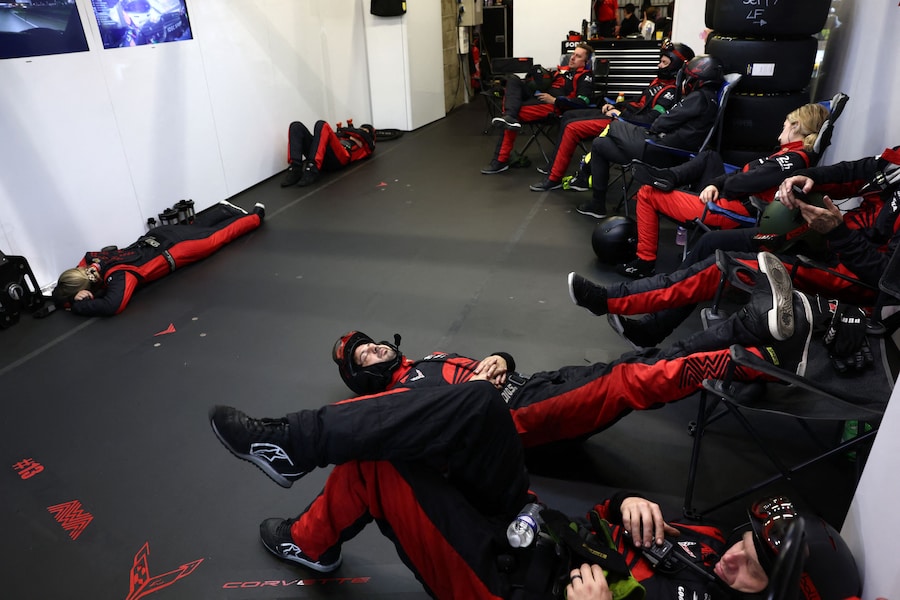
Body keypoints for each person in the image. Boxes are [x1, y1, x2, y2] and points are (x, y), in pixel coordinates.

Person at [208, 381, 861, 599]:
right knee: (480, 406)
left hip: (510, 584)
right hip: (537, 527)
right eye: (747, 542)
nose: (735, 554)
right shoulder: (716, 547)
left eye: (754, 567)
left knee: (378, 468)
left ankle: (309, 541)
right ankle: (294, 443)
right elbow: (607, 519)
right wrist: (626, 505)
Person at [329, 253, 813, 449]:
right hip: (520, 420)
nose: (374, 349)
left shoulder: (427, 361)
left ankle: (755, 333)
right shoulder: (398, 398)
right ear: (363, 377)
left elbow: (490, 368)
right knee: (634, 381)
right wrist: (474, 394)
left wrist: (500, 359)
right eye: (364, 357)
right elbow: (441, 434)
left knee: (643, 363)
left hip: (535, 385)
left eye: (370, 344)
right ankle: (758, 354)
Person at [567, 144, 900, 349]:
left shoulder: (794, 151)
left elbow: (886, 279)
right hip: (822, 237)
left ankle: (613, 299)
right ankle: (653, 327)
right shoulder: (895, 161)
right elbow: (857, 170)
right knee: (712, 242)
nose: (781, 129)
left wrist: (839, 234)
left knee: (718, 267)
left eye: (787, 124)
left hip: (845, 272)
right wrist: (810, 177)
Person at [616, 102, 830, 278]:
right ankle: (668, 177)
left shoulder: (791, 160)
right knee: (710, 156)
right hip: (734, 198)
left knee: (647, 193)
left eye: (784, 125)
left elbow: (743, 182)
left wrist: (722, 186)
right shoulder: (788, 154)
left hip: (735, 208)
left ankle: (644, 262)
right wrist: (715, 184)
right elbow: (741, 175)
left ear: (795, 126)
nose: (781, 130)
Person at [529, 40, 693, 192]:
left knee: (572, 127)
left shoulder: (671, 92)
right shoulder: (658, 83)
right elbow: (637, 102)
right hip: (624, 117)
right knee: (568, 116)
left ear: (676, 66)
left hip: (629, 127)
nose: (659, 65)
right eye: (660, 61)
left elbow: (650, 121)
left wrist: (620, 113)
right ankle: (554, 166)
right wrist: (616, 105)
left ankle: (554, 178)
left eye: (664, 62)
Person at [51, 200, 264, 316]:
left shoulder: (119, 276)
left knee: (218, 236)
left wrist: (79, 305)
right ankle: (225, 209)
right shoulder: (94, 259)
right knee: (195, 227)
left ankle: (254, 216)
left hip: (176, 250)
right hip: (157, 236)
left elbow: (112, 306)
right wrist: (73, 292)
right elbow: (80, 266)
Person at [576, 55, 724, 219]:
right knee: (599, 144)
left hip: (660, 150)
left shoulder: (698, 97)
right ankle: (596, 204)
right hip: (667, 150)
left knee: (614, 126)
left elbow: (660, 123)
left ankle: (593, 195)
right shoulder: (709, 98)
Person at [481, 44, 595, 175]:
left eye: (578, 56)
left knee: (514, 112)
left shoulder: (585, 77)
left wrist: (555, 100)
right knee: (512, 79)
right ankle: (509, 117)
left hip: (554, 106)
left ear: (585, 62)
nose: (572, 58)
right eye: (573, 54)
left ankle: (500, 160)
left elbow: (583, 102)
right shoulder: (562, 70)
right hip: (538, 96)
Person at [280, 120, 376, 187]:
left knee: (322, 124)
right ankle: (295, 168)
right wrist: (347, 134)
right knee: (296, 126)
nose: (360, 131)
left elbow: (364, 137)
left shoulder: (367, 145)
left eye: (364, 130)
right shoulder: (346, 135)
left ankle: (312, 168)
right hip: (323, 153)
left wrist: (346, 132)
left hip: (340, 158)